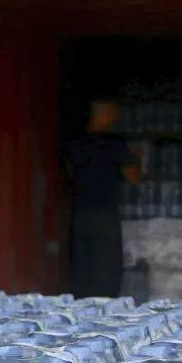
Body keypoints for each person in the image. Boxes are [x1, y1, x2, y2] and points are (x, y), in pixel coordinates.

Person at [65, 99, 141, 298]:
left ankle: (80, 307)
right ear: (106, 114)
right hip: (105, 212)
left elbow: (70, 174)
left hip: (80, 211)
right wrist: (137, 158)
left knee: (83, 265)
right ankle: (104, 311)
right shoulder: (115, 144)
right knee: (107, 267)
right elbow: (133, 177)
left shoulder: (75, 144)